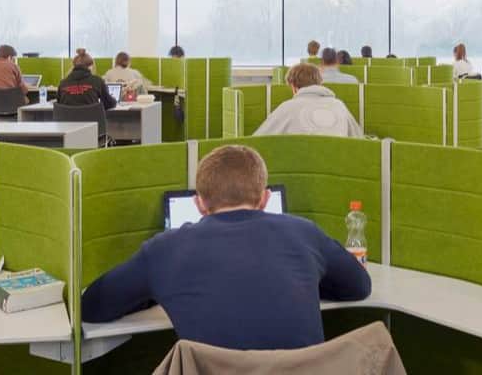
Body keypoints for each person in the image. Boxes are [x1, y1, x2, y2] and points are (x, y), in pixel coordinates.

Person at [79, 145, 372, 350]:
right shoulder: (303, 232)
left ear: (199, 204)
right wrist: (305, 277)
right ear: (265, 199)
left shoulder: (165, 249)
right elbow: (358, 285)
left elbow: (92, 306)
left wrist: (156, 290)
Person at [254, 64, 363, 137]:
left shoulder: (287, 107)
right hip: (337, 167)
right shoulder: (339, 105)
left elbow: (260, 139)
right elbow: (359, 139)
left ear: (293, 86)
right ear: (320, 83)